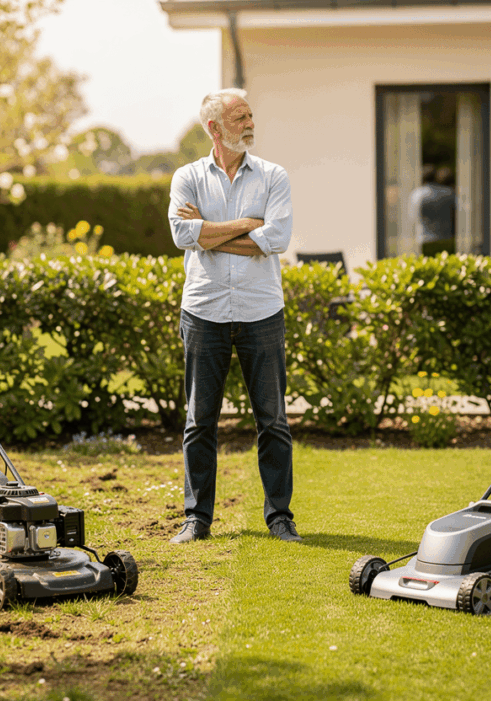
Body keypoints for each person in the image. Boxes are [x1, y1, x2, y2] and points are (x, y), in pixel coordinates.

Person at [166, 88, 300, 544]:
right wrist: (248, 223)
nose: (249, 123)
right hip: (204, 312)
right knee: (199, 421)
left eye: (249, 115)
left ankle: (280, 517)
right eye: (239, 117)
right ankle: (196, 519)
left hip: (261, 311)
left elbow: (277, 238)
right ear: (215, 128)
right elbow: (184, 234)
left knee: (273, 421)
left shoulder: (274, 176)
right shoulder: (187, 177)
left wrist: (211, 231)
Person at [409, 165, 456, 256]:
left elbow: (412, 217)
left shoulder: (417, 195)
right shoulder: (448, 192)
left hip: (423, 239)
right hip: (445, 239)